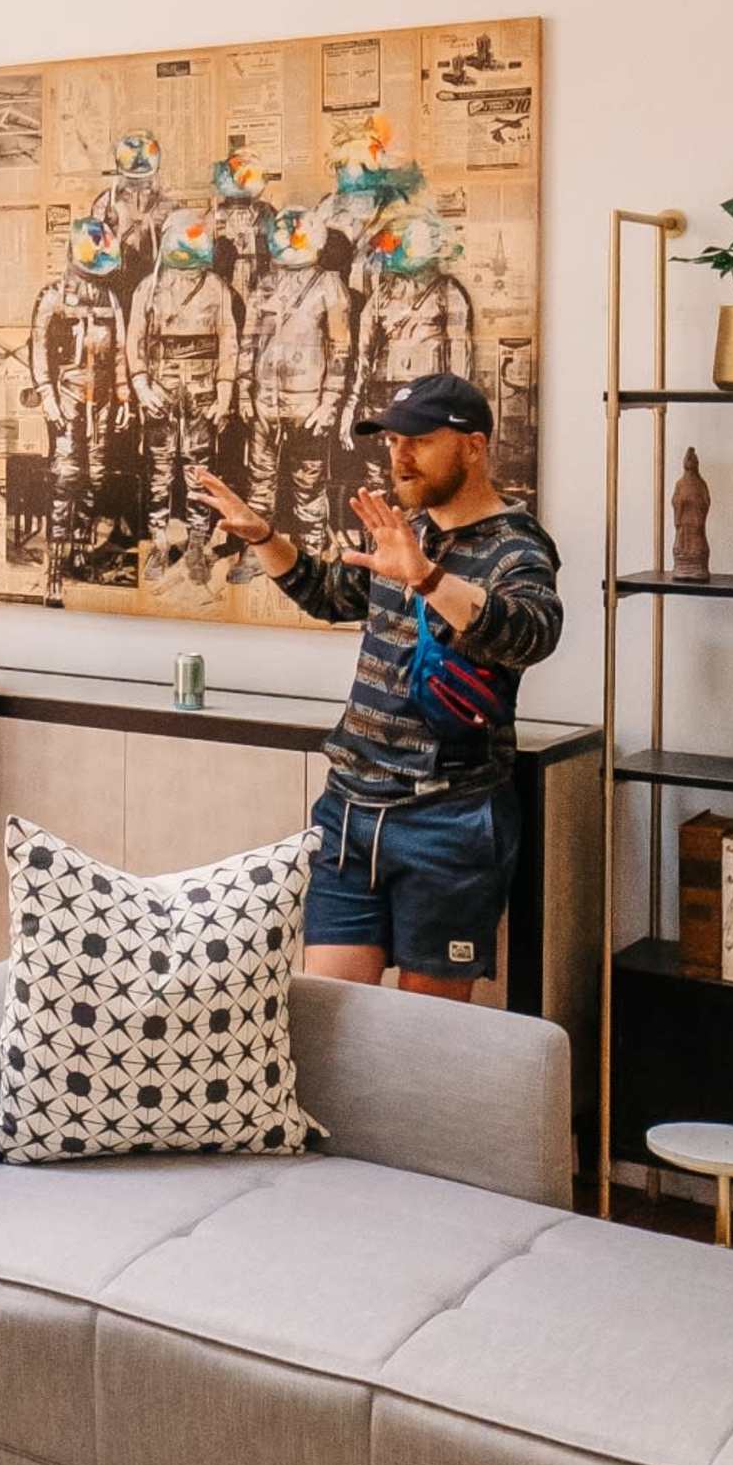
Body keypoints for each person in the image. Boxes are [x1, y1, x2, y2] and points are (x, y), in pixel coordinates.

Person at [205, 370, 558, 996]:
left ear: (473, 446)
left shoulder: (517, 548)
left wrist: (427, 579)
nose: (399, 455)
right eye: (393, 440)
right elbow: (331, 594)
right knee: (330, 1019)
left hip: (447, 819)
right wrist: (264, 536)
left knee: (421, 1039)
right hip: (349, 810)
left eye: (419, 439)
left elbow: (531, 634)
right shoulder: (410, 533)